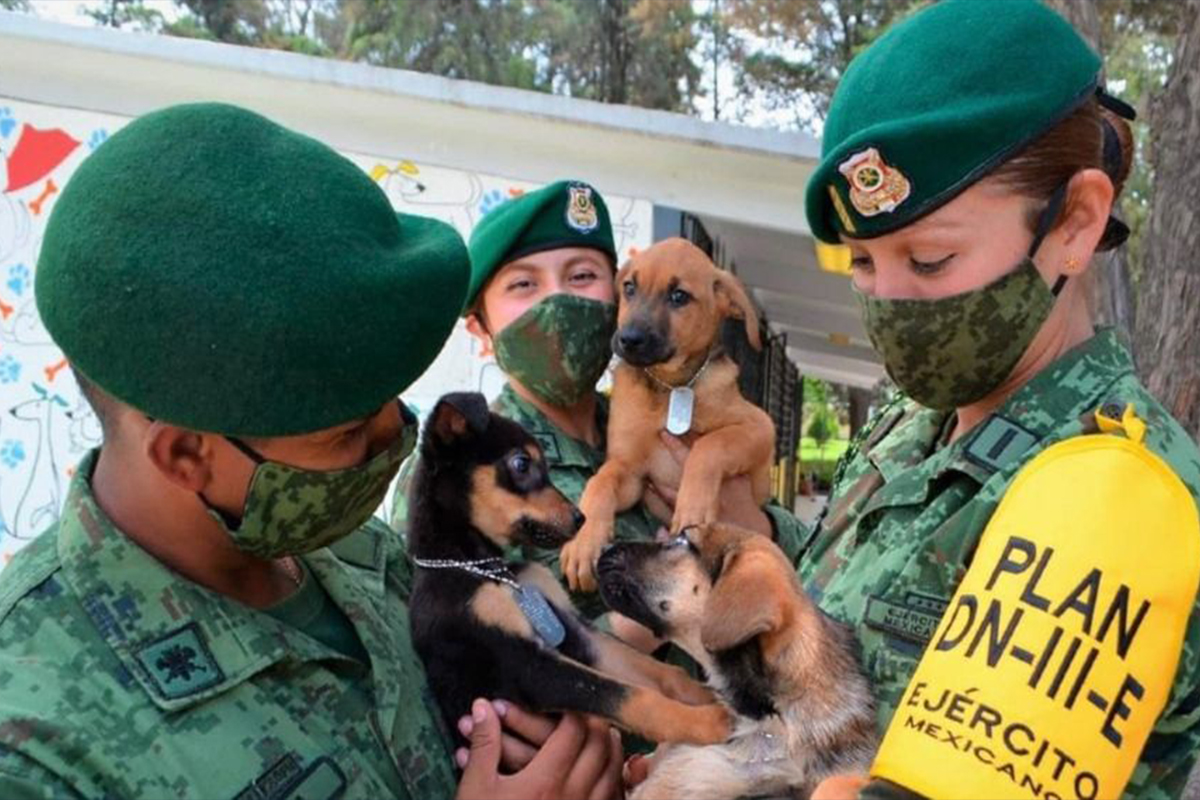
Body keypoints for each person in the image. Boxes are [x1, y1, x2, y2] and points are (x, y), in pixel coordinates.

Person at [0, 102, 621, 799]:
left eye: (391, 402)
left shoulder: (367, 560)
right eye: (347, 435)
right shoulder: (35, 743)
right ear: (185, 455)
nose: (394, 439)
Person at [792, 2, 1200, 798]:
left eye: (932, 259)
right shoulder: (919, 422)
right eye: (865, 266)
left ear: (1075, 225)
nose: (891, 303)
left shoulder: (1118, 498)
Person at [390, 179, 809, 628]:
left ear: (613, 297)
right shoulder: (455, 469)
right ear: (480, 329)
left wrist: (754, 524)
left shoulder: (643, 415)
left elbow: (810, 556)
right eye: (524, 284)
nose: (559, 302)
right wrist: (660, 610)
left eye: (582, 276)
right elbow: (462, 639)